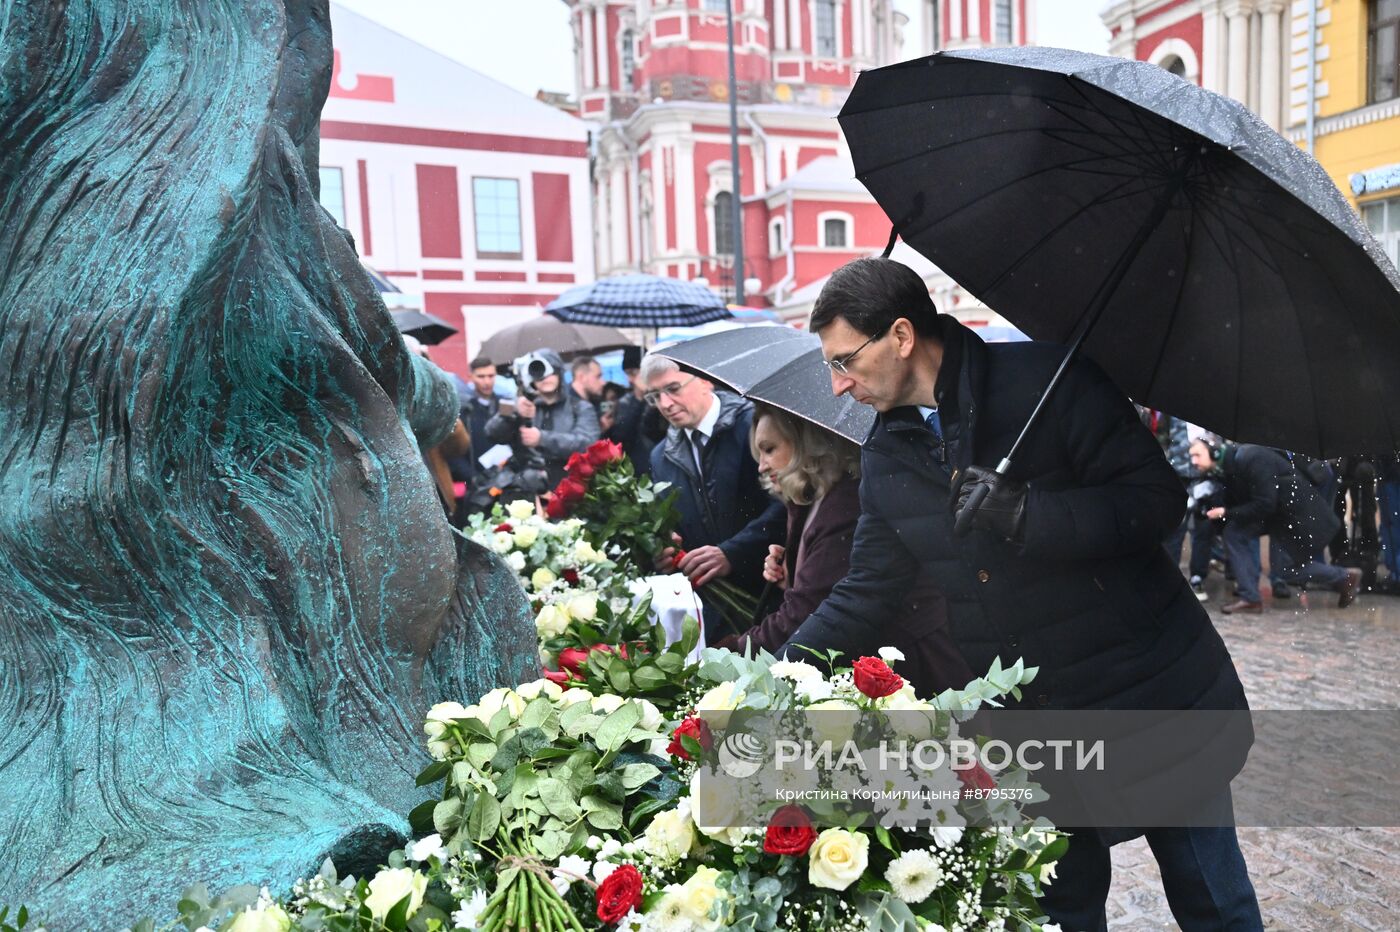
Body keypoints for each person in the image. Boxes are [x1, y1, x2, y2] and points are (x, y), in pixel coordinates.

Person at [781, 257, 1260, 932]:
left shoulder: (1046, 383)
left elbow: (1155, 503)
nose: (837, 386)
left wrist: (1033, 515)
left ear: (900, 335)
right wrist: (774, 677)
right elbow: (865, 589)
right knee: (1059, 906)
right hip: (1034, 722)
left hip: (1148, 691)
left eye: (845, 361)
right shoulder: (888, 453)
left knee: (1210, 894)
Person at [711, 404, 972, 694]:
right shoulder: (814, 498)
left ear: (804, 445)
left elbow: (804, 611)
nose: (761, 465)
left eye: (769, 449)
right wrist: (795, 572)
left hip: (912, 668)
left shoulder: (845, 504)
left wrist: (730, 653)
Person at [643, 353, 786, 640]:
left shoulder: (752, 425)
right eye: (654, 396)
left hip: (770, 591)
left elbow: (786, 503)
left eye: (673, 389)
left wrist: (732, 552)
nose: (665, 404)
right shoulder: (661, 456)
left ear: (705, 380)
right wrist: (663, 549)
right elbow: (676, 524)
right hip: (712, 607)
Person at [1188, 438, 1359, 613]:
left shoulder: (1251, 457)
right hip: (1274, 514)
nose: (1194, 461)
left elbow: (1265, 503)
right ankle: (1250, 598)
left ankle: (1344, 578)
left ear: (1214, 453)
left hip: (1290, 515)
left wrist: (1226, 512)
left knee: (1285, 569)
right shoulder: (1226, 468)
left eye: (1197, 455)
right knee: (1234, 533)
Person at [484, 347, 599, 487]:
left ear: (559, 373)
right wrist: (512, 412)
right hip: (526, 485)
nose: (545, 378)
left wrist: (542, 439)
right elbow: (492, 434)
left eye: (549, 371)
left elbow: (588, 444)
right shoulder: (521, 404)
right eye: (538, 372)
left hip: (570, 486)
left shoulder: (580, 407)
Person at [606, 345, 662, 476]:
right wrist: (638, 400)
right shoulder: (625, 401)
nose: (630, 380)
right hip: (636, 469)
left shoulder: (662, 397)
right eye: (627, 374)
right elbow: (622, 436)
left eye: (633, 373)